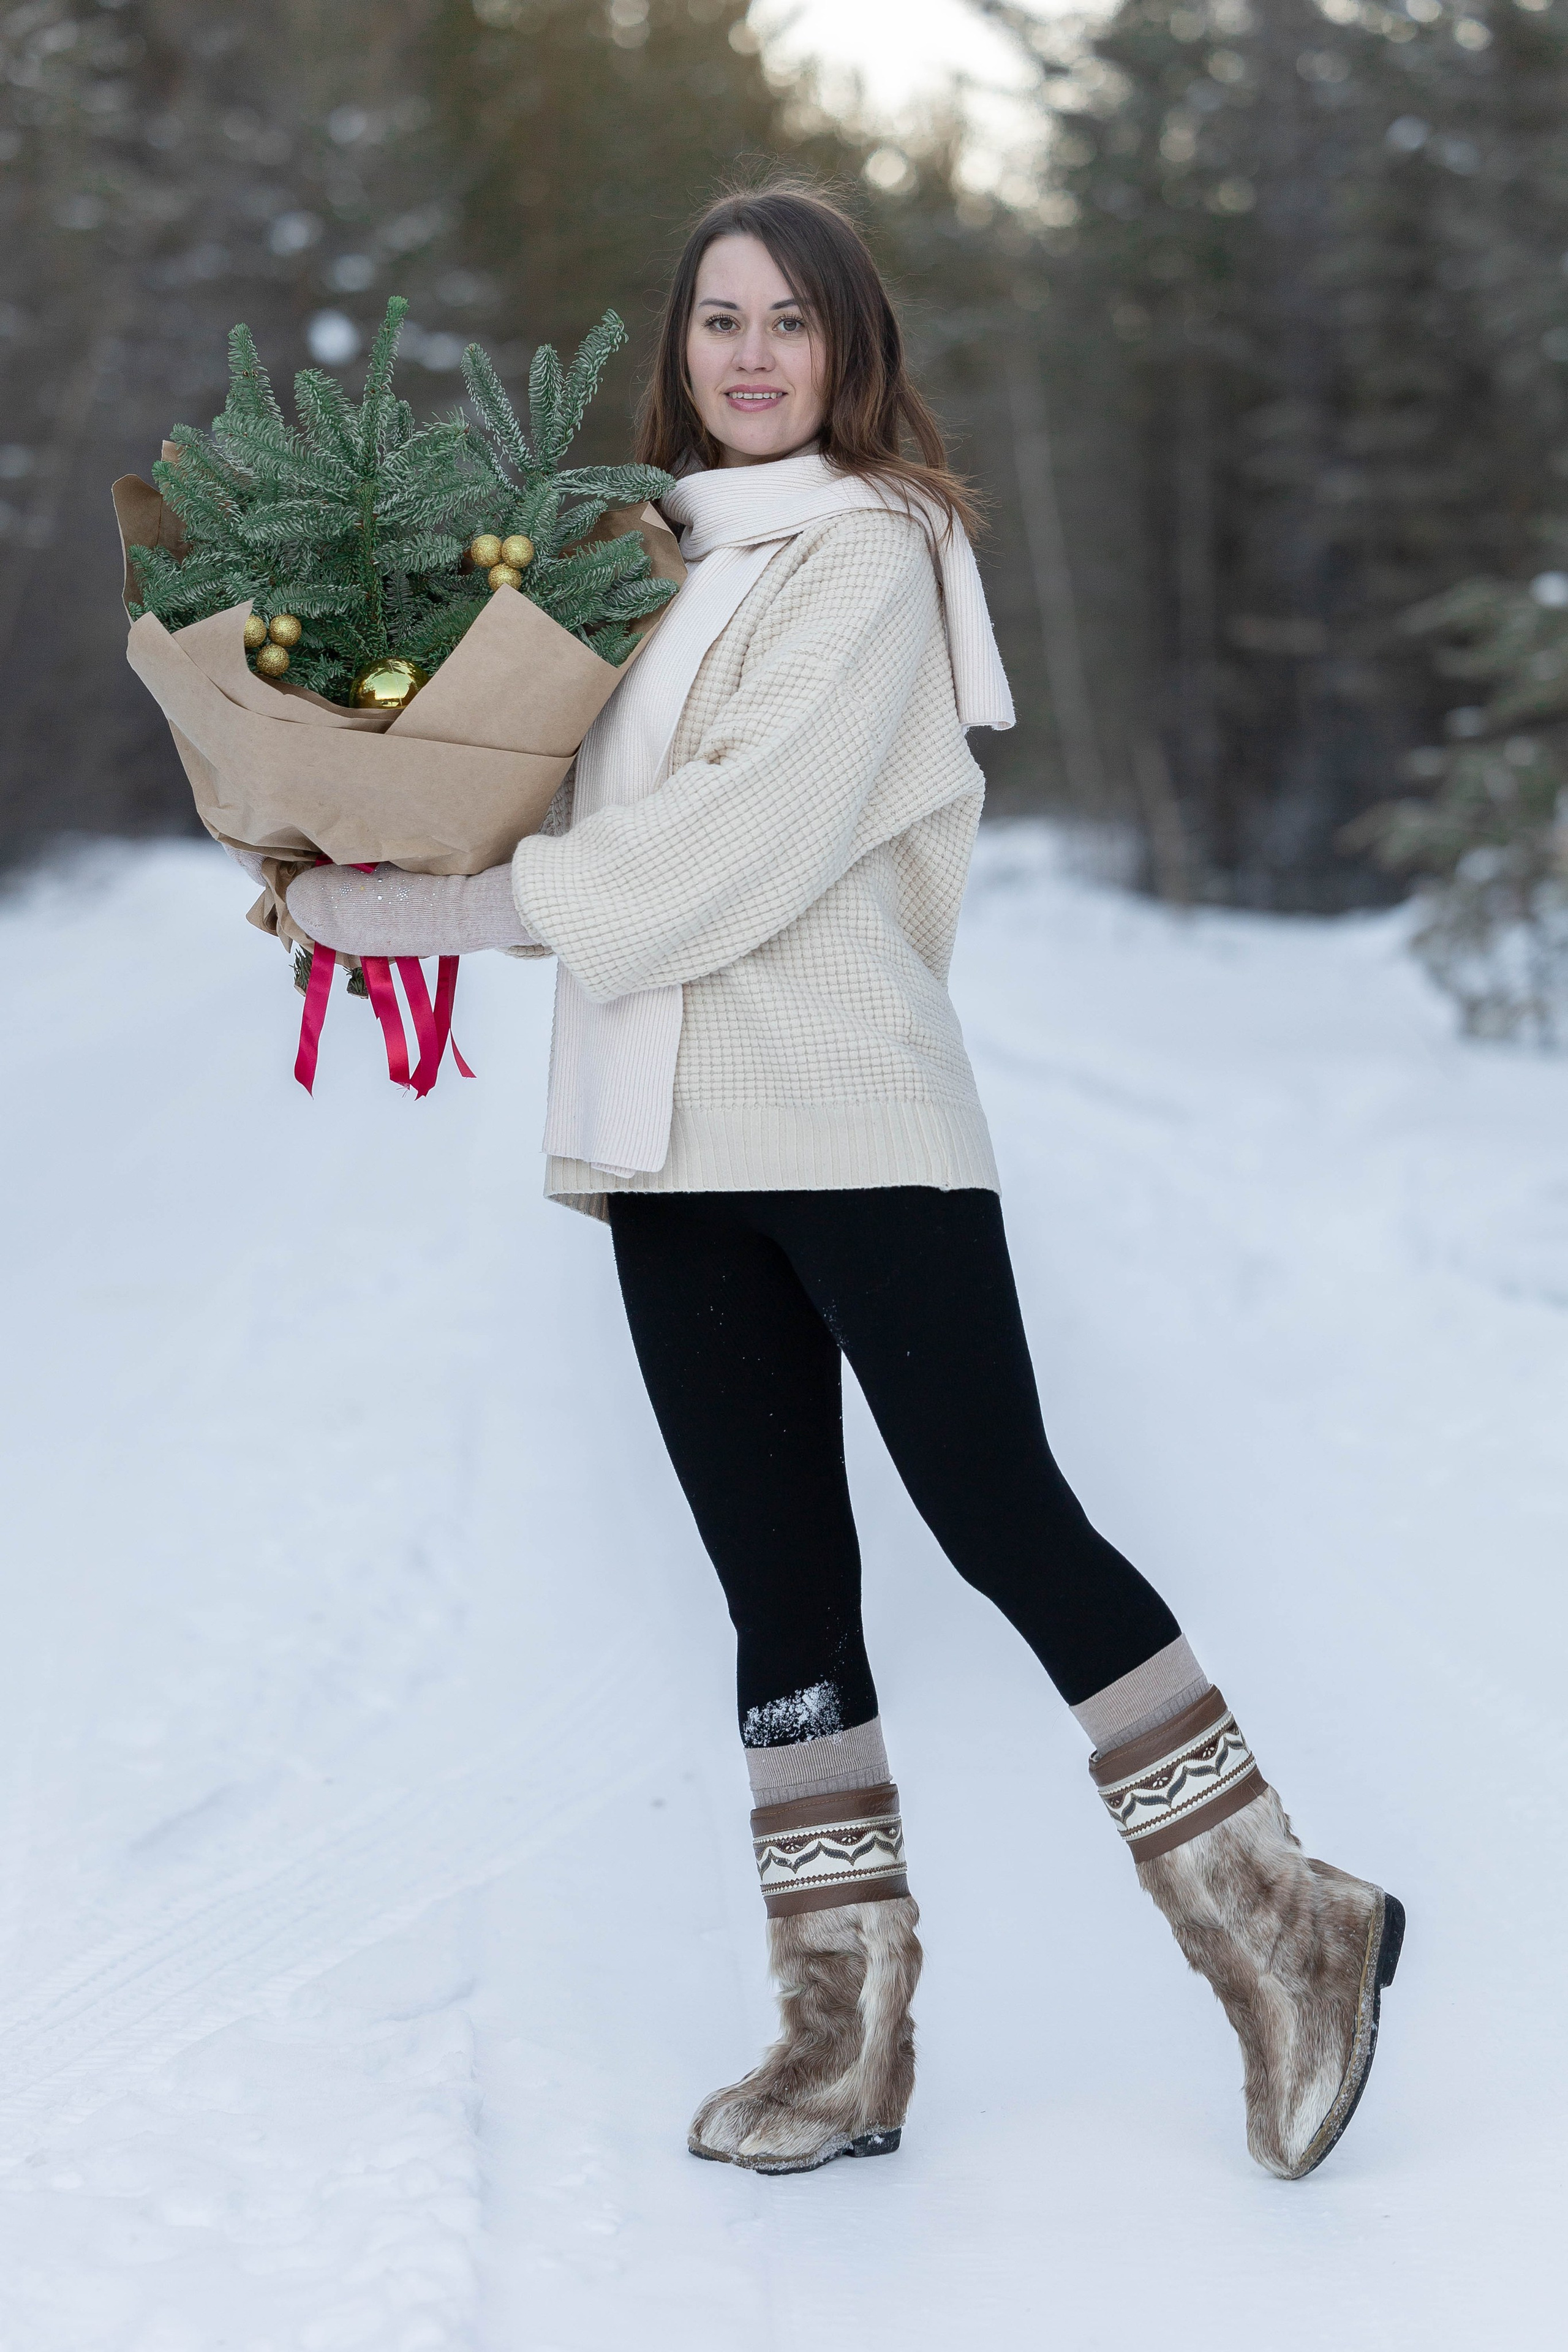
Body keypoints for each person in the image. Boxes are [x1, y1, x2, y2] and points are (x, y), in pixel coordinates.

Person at [286, 182, 1403, 2182]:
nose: (748, 355)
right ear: (679, 343)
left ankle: (1288, 1924)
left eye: (790, 323)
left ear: (849, 349)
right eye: (718, 318)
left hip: (850, 1114)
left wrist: (433, 910)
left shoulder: (876, 554)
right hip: (659, 1137)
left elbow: (722, 852)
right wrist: (348, 810)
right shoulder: (630, 564)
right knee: (778, 1586)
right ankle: (842, 2037)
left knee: (1001, 1519)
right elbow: (529, 780)